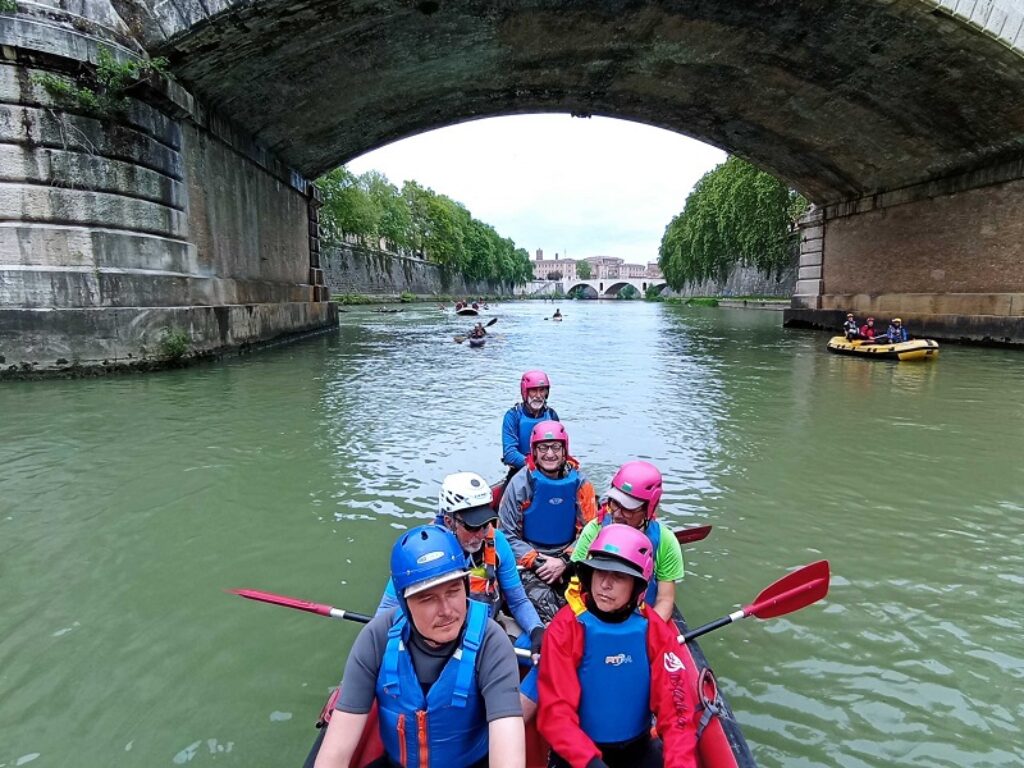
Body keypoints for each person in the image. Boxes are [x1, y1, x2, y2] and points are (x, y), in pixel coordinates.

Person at [313, 525, 525, 768]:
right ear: (404, 603)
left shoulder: (492, 643)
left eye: (453, 591)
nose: (447, 611)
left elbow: (508, 757)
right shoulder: (376, 637)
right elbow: (336, 753)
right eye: (428, 599)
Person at [536, 524, 698, 768]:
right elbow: (556, 712)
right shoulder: (565, 628)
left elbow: (677, 711)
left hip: (637, 749)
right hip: (579, 755)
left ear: (637, 585)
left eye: (618, 576)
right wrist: (591, 763)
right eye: (599, 572)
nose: (605, 585)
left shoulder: (653, 629)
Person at [375, 472, 545, 661]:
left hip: (486, 627)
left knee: (546, 654)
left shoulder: (497, 542)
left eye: (486, 524)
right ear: (449, 521)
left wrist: (536, 629)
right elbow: (386, 611)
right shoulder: (419, 551)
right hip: (437, 638)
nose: (481, 534)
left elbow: (518, 601)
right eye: (472, 527)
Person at [498, 421, 598, 623]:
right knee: (548, 609)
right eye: (543, 447)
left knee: (590, 603)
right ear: (534, 451)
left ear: (564, 451)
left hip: (570, 556)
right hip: (530, 560)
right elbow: (506, 534)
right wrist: (538, 562)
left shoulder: (582, 485)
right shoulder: (519, 485)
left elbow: (591, 531)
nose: (550, 454)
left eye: (556, 447)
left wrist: (564, 562)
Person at [570, 461, 684, 622]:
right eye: (615, 503)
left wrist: (644, 632)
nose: (617, 513)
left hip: (641, 619)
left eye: (628, 508)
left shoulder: (666, 541)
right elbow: (577, 587)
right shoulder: (594, 529)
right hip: (596, 616)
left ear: (648, 508)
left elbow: (664, 600)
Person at [501, 370, 560, 483]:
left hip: (549, 473)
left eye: (542, 390)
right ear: (525, 392)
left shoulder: (552, 415)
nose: (538, 395)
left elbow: (560, 447)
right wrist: (536, 465)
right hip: (520, 473)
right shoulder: (513, 416)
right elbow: (510, 454)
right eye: (533, 390)